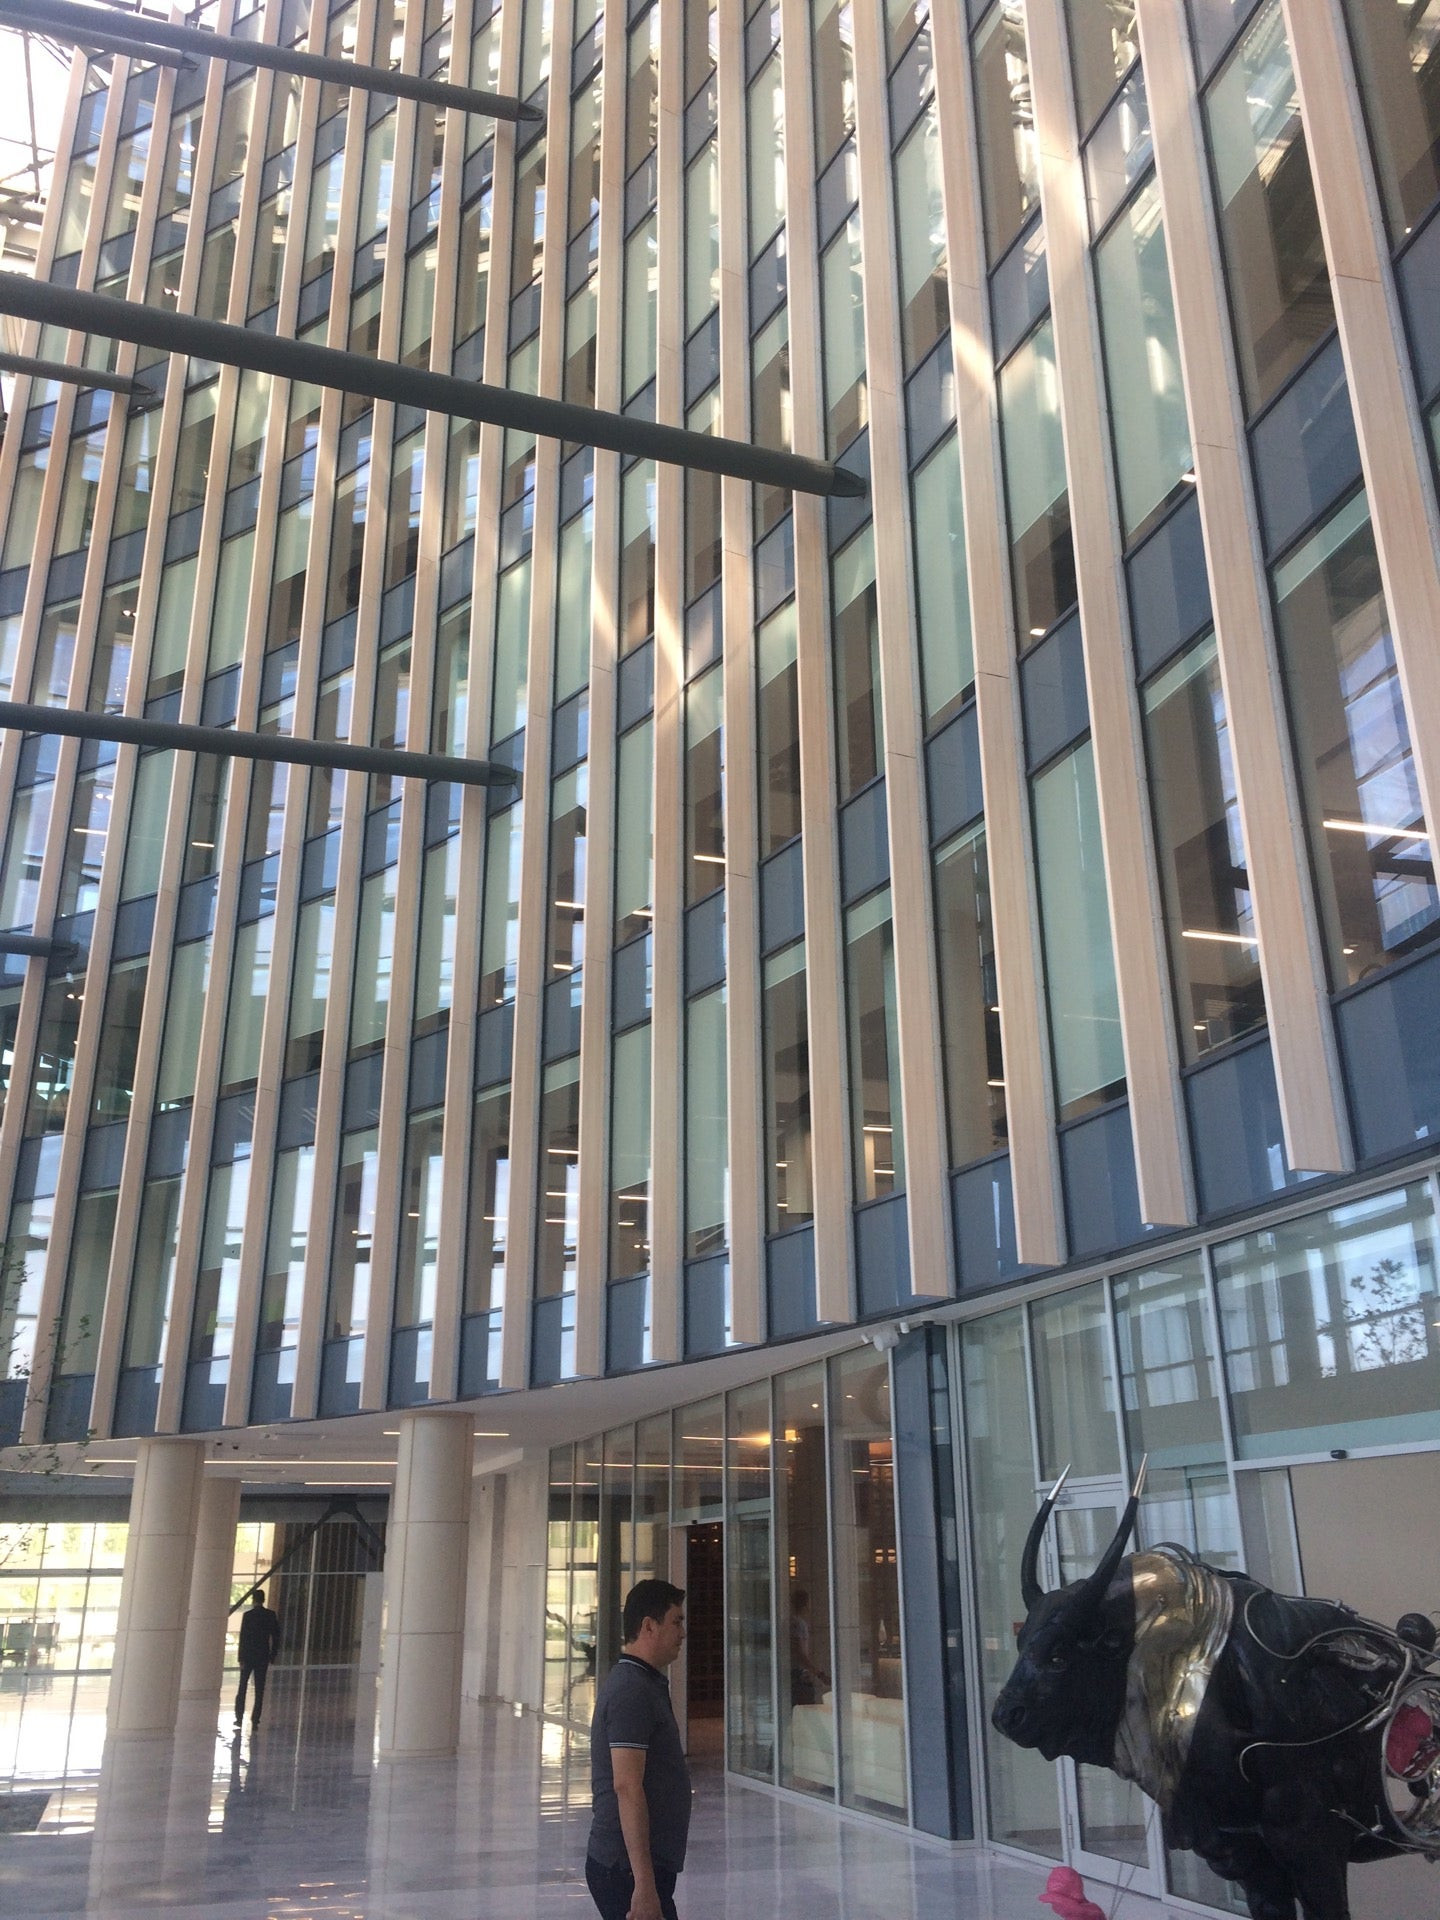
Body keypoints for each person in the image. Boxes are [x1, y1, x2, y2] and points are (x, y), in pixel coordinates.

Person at [586, 1579, 690, 1920]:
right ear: (649, 1626)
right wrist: (643, 1884)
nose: (682, 1632)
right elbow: (627, 1786)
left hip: (636, 1868)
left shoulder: (644, 1683)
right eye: (676, 1621)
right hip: (626, 1870)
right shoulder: (631, 1691)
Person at [234, 1588, 281, 1730]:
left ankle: (239, 1717)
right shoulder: (270, 1615)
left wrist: (241, 1657)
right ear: (263, 1600)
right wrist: (272, 1655)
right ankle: (255, 1719)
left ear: (253, 1600)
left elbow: (243, 1638)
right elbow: (276, 1636)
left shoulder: (248, 1616)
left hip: (248, 1656)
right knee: (260, 1689)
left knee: (242, 1686)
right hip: (262, 1656)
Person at [788, 1588, 828, 1706]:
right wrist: (819, 1674)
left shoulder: (792, 1622)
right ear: (805, 1604)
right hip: (798, 1675)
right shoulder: (799, 1624)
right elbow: (800, 1654)